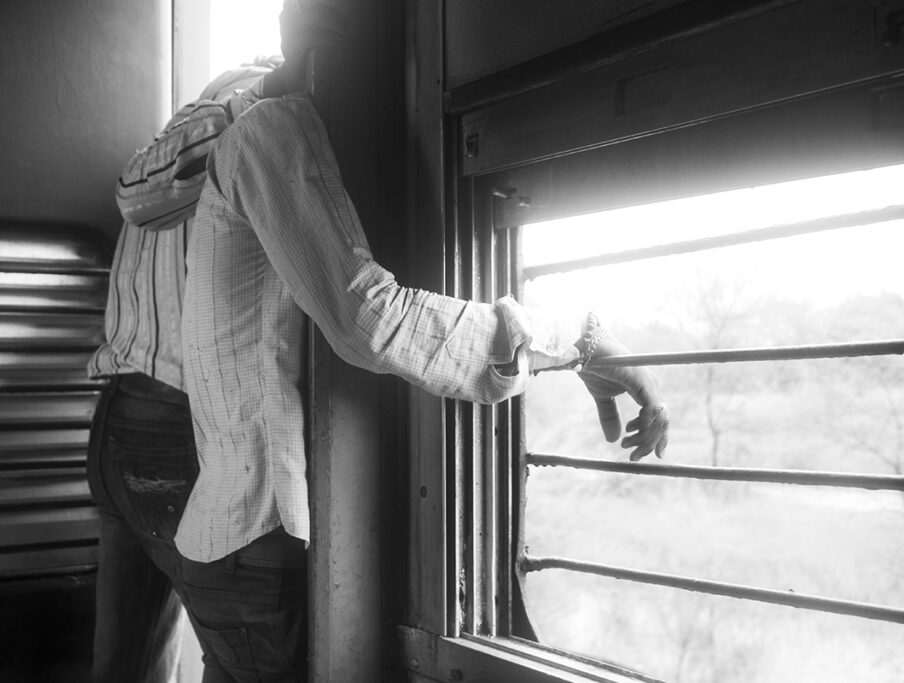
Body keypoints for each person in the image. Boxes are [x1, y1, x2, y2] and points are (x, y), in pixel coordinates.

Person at [118, 4, 669, 681]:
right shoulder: (271, 132)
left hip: (233, 552)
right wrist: (574, 337)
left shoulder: (278, 137)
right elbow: (372, 321)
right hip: (254, 547)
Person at [85, 42, 329, 683]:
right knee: (247, 661)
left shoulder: (194, 123)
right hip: (177, 432)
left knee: (124, 670)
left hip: (116, 426)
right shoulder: (261, 117)